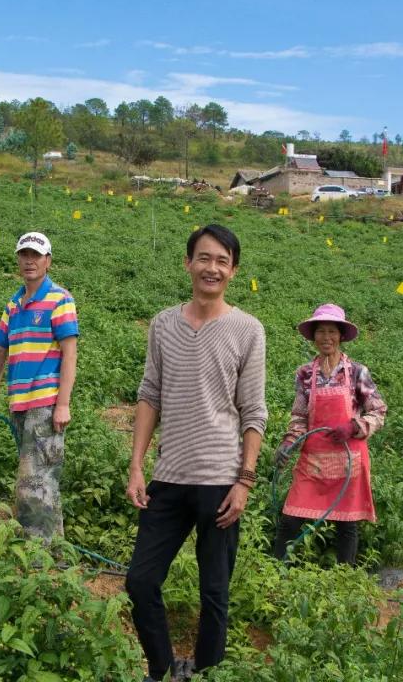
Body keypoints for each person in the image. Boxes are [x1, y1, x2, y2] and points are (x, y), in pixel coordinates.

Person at [124, 224, 267, 682]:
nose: (212, 268)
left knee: (214, 593)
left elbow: (254, 411)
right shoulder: (164, 323)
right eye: (204, 258)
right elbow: (150, 395)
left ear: (234, 271)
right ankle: (162, 670)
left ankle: (207, 673)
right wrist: (136, 466)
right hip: (168, 476)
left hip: (220, 482)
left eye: (222, 261)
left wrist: (244, 481)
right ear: (188, 263)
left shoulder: (247, 329)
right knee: (140, 581)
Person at [0, 232, 78, 543]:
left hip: (45, 404)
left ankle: (37, 558)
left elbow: (70, 353)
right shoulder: (14, 305)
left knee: (32, 482)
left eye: (36, 255)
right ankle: (52, 552)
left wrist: (63, 403)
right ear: (18, 259)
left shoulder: (60, 299)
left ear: (48, 261)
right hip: (19, 404)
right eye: (24, 254)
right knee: (40, 480)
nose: (29, 261)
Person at [272, 304, 387, 564]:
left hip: (349, 459)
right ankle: (278, 573)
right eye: (321, 331)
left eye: (332, 331)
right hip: (313, 458)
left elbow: (378, 411)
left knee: (346, 524)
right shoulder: (305, 374)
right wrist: (289, 442)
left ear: (341, 336)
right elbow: (300, 416)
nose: (326, 337)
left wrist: (354, 427)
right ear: (313, 337)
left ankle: (343, 578)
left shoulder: (357, 372)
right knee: (290, 518)